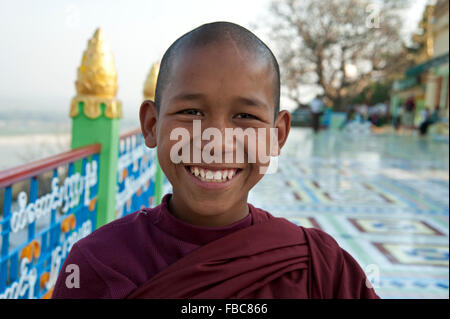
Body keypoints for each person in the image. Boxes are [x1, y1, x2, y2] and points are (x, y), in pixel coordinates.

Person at [52, 22, 379, 299]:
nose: (217, 141)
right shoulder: (96, 264)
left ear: (277, 136)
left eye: (245, 115)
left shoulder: (320, 268)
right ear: (151, 125)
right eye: (191, 112)